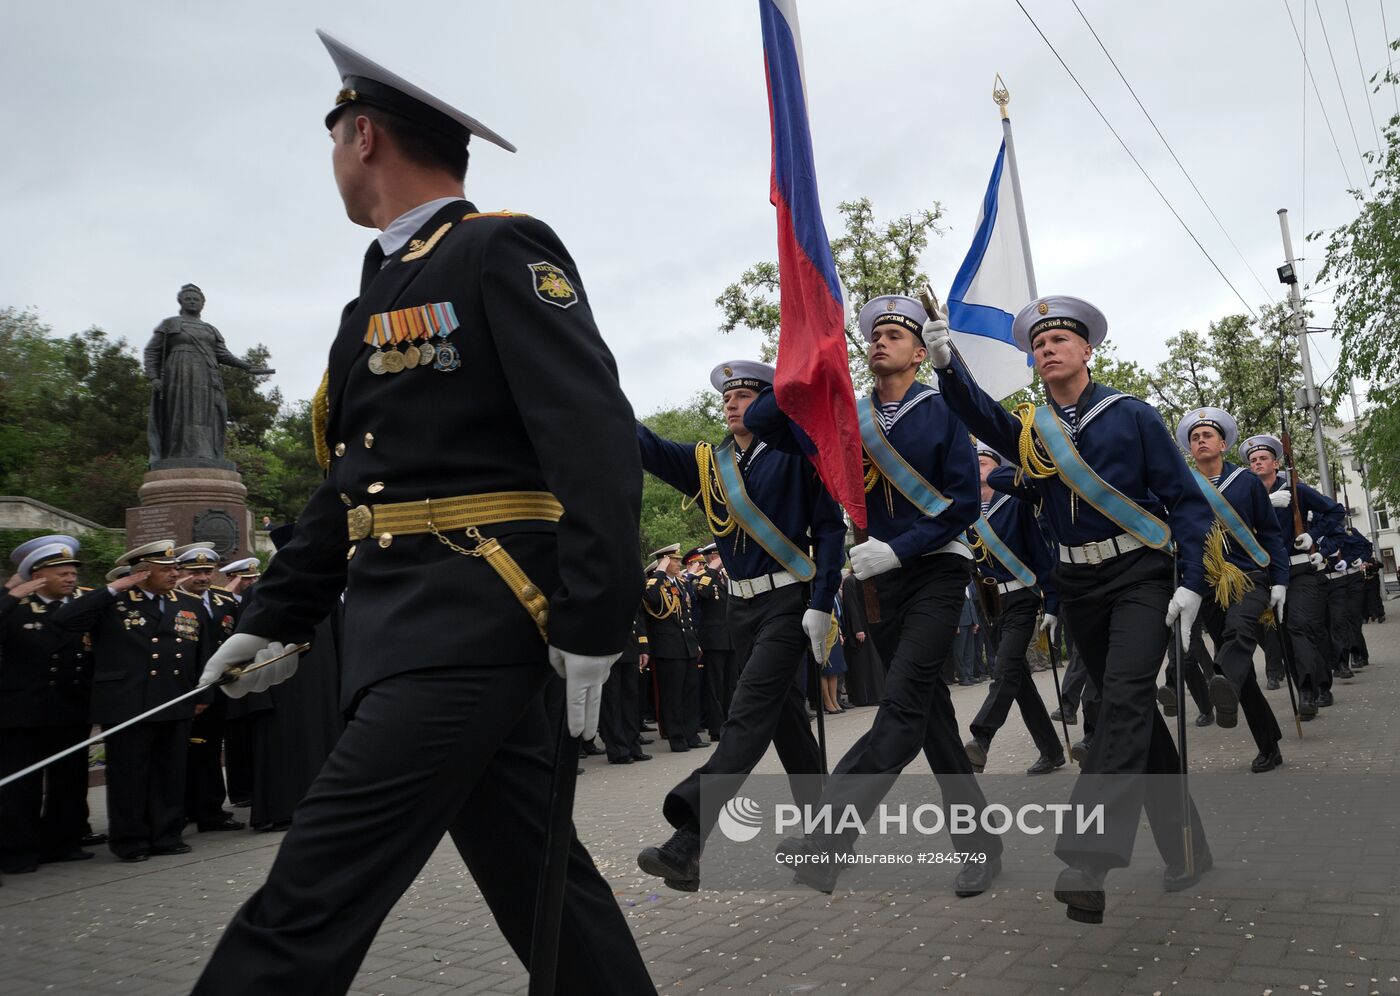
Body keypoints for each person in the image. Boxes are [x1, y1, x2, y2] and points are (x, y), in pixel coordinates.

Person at [188, 31, 653, 995]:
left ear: (363, 135)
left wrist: (595, 620)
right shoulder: (375, 292)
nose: (333, 161)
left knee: (305, 902)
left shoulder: (497, 248)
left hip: (471, 627)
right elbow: (356, 484)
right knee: (546, 894)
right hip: (405, 632)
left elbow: (595, 440)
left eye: (333, 141)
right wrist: (273, 614)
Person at [928, 294, 1211, 923]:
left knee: (1125, 701)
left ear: (1088, 350)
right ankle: (1187, 847)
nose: (1048, 349)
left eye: (1061, 340)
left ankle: (1090, 858)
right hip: (1080, 587)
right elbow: (979, 415)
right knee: (1131, 712)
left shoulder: (1132, 415)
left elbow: (1185, 501)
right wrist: (948, 366)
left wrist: (1191, 580)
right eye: (1039, 344)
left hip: (1139, 573)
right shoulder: (1031, 431)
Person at [750, 295, 1003, 898]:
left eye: (895, 334)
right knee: (931, 720)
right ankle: (980, 843)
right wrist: (807, 362)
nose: (880, 341)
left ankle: (827, 837)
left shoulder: (942, 411)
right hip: (880, 585)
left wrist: (903, 546)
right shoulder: (848, 417)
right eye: (874, 334)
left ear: (920, 352)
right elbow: (764, 423)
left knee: (900, 710)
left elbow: (964, 503)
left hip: (937, 572)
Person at [634, 360, 842, 892]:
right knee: (785, 722)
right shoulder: (711, 464)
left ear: (770, 404)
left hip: (789, 601)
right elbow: (649, 445)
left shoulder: (796, 451)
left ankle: (690, 840)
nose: (731, 404)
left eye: (746, 396)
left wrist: (822, 601)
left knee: (746, 715)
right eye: (727, 397)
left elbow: (828, 527)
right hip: (740, 609)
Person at [48, 540, 216, 862]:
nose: (173, 573)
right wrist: (113, 588)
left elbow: (204, 652)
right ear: (141, 572)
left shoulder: (189, 603)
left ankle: (166, 835)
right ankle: (130, 840)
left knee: (170, 773)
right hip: (127, 702)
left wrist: (203, 692)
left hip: (175, 697)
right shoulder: (113, 602)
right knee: (129, 775)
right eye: (165, 568)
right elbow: (64, 620)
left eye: (174, 567)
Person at [1170, 408, 1288, 772]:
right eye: (1195, 437)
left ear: (1222, 444)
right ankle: (1269, 744)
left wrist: (1281, 578)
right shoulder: (1183, 487)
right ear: (1190, 448)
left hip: (1249, 575)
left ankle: (1219, 684)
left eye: (1208, 435)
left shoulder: (1246, 482)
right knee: (1240, 673)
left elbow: (1269, 532)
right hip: (1206, 585)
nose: (1201, 440)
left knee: (1239, 632)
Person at [963, 441, 1066, 777]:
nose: (977, 468)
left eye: (984, 462)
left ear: (998, 468)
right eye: (973, 463)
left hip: (1022, 597)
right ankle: (1051, 751)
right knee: (1018, 681)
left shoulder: (1017, 505)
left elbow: (1041, 553)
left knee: (1005, 670)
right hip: (991, 605)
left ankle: (981, 738)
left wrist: (1051, 601)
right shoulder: (967, 515)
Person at [0, 537, 94, 873]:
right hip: (22, 712)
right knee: (20, 786)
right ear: (38, 575)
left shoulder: (81, 606)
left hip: (70, 709)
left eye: (72, 573)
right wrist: (10, 595)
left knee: (69, 782)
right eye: (62, 573)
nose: (70, 578)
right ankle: (17, 850)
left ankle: (62, 843)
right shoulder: (15, 606)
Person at [1242, 434, 1343, 717]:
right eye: (1253, 461)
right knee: (1285, 635)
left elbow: (1335, 511)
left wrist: (1312, 534)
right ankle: (1317, 683)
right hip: (1269, 573)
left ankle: (1308, 691)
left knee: (1299, 625)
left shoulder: (1295, 489)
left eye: (1263, 459)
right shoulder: (1249, 495)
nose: (1258, 463)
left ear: (1275, 463)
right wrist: (1263, 504)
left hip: (1300, 570)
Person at [176, 545, 246, 833]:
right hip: (184, 689)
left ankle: (210, 810)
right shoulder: (174, 601)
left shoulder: (226, 601)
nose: (202, 577)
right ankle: (181, 808)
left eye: (207, 571)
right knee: (180, 753)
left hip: (218, 689)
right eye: (195, 572)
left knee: (209, 750)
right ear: (181, 572)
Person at [641, 544, 705, 752]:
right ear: (665, 562)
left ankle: (691, 734)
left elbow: (687, 614)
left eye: (677, 560)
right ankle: (676, 737)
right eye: (674, 560)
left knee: (690, 692)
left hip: (686, 645)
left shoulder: (680, 582)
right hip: (668, 647)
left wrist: (695, 643)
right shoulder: (655, 583)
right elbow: (649, 598)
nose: (679, 563)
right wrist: (660, 571)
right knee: (673, 695)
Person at [599, 606, 650, 764]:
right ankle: (618, 750)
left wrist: (643, 648)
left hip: (630, 646)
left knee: (630, 700)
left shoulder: (627, 585)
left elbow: (637, 617)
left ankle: (633, 746)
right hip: (608, 647)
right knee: (612, 701)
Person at [837, 570, 884, 705]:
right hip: (859, 628)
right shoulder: (850, 581)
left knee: (874, 664)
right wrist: (858, 629)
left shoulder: (866, 578)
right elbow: (852, 606)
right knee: (862, 664)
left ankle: (877, 694)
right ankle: (864, 697)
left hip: (870, 624)